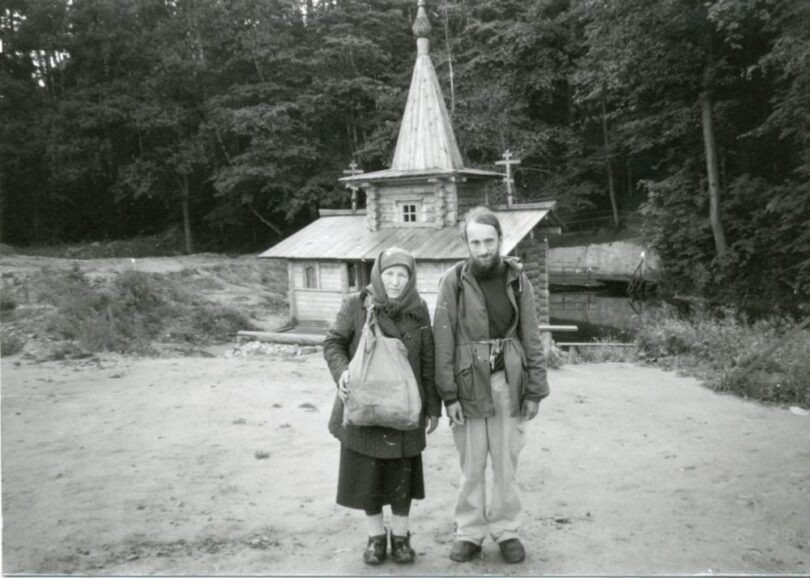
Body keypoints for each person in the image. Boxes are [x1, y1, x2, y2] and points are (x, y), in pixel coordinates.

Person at [433, 206, 550, 564]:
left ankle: (506, 530)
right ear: (466, 244)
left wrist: (535, 389)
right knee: (471, 465)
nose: (483, 249)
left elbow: (531, 335)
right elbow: (443, 339)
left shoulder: (518, 279)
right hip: (467, 383)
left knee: (505, 462)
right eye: (475, 242)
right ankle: (469, 532)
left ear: (500, 239)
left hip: (507, 381)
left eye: (489, 241)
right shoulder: (452, 281)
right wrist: (448, 394)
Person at [323, 247, 441, 566]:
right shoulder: (356, 305)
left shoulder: (419, 309)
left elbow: (428, 360)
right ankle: (376, 539)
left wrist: (432, 408)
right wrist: (342, 372)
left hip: (404, 409)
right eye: (389, 273)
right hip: (364, 405)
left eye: (403, 274)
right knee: (368, 476)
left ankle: (401, 538)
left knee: (402, 475)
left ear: (411, 277)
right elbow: (333, 343)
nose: (395, 281)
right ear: (378, 274)